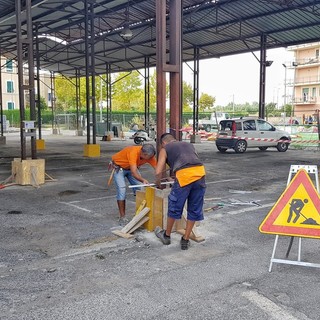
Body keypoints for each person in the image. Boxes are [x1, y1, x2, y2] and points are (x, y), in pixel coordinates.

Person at [154, 133, 206, 250]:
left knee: (174, 206)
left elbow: (158, 171)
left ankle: (166, 236)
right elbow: (190, 161)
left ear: (163, 143)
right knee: (194, 208)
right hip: (200, 174)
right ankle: (185, 240)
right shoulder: (189, 145)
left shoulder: (165, 149)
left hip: (184, 176)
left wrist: (158, 182)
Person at [111, 144, 157, 225]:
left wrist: (166, 177)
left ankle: (140, 213)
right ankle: (122, 217)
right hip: (120, 168)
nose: (150, 159)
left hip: (132, 168)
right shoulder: (133, 152)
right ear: (144, 154)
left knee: (141, 188)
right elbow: (134, 172)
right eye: (149, 158)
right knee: (122, 190)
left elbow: (157, 168)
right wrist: (143, 180)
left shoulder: (150, 156)